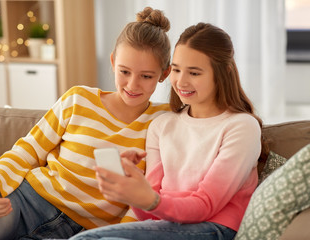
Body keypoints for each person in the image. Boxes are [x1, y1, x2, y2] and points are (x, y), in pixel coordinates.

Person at [0, 7, 172, 240]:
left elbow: (148, 195)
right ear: (113, 61)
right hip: (26, 202)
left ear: (164, 74)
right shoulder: (78, 99)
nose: (132, 84)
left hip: (87, 232)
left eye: (146, 76)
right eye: (124, 71)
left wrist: (122, 233)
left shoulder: (163, 123)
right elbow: (28, 150)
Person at [69, 22, 268, 240]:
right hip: (166, 227)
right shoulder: (162, 126)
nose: (181, 81)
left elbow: (205, 205)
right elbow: (148, 214)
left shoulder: (241, 127)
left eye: (194, 72)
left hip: (213, 228)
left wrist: (150, 200)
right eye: (176, 69)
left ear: (224, 72)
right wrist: (135, 190)